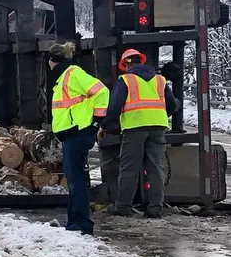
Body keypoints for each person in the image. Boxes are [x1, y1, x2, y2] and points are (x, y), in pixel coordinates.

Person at [98, 48, 179, 218]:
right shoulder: (160, 80)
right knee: (156, 168)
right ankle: (155, 208)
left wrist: (104, 126)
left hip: (135, 128)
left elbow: (114, 107)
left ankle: (123, 207)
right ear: (140, 61)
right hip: (158, 127)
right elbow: (172, 104)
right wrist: (160, 116)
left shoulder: (126, 80)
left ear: (127, 64)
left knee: (130, 168)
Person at [48, 41, 109, 235]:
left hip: (77, 133)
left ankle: (81, 224)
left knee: (76, 181)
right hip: (72, 134)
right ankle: (74, 221)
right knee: (75, 179)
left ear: (53, 60)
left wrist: (98, 119)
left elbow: (101, 91)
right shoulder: (65, 76)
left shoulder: (73, 74)